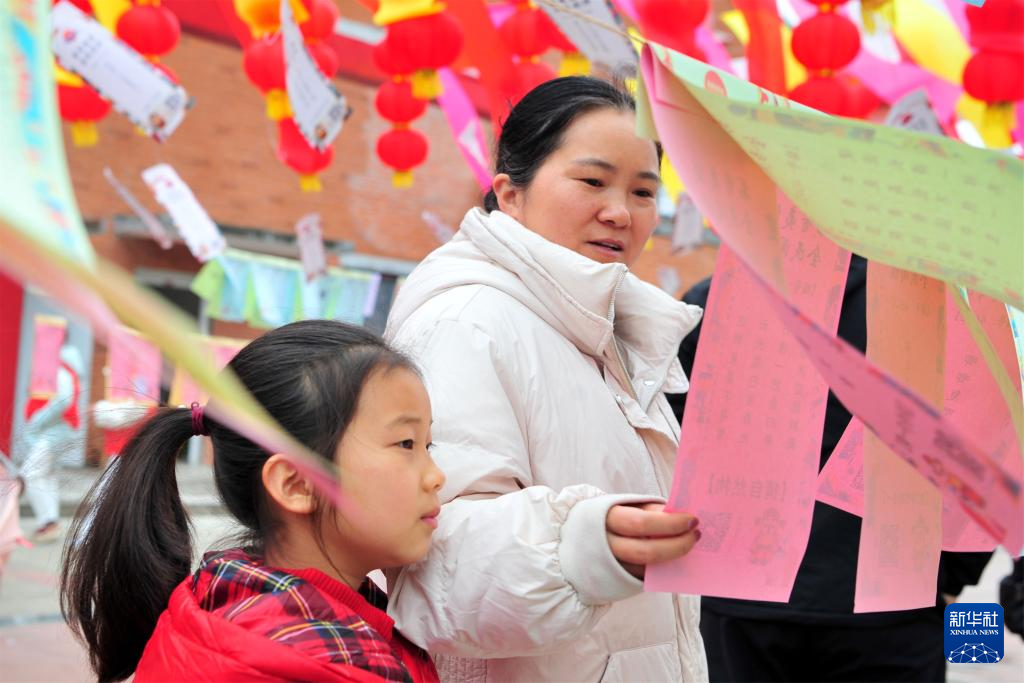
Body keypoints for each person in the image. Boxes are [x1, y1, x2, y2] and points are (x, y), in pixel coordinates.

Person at [385, 77, 707, 682]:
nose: (620, 212)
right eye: (592, 182)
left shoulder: (616, 331)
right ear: (510, 194)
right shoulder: (467, 323)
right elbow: (434, 561)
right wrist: (585, 546)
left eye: (643, 191)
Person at [60, 320, 444, 683]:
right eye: (405, 444)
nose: (436, 476)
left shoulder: (243, 609)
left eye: (428, 446)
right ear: (296, 484)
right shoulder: (311, 662)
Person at [670, 257, 991, 682]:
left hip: (739, 593)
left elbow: (669, 438)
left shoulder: (718, 296)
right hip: (892, 597)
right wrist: (954, 576)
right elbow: (985, 452)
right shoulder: (947, 310)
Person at [19, 344, 83, 543]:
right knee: (46, 474)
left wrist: (36, 421)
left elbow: (63, 400)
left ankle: (48, 522)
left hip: (55, 431)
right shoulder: (66, 371)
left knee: (30, 473)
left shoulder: (60, 371)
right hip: (58, 431)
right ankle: (49, 523)